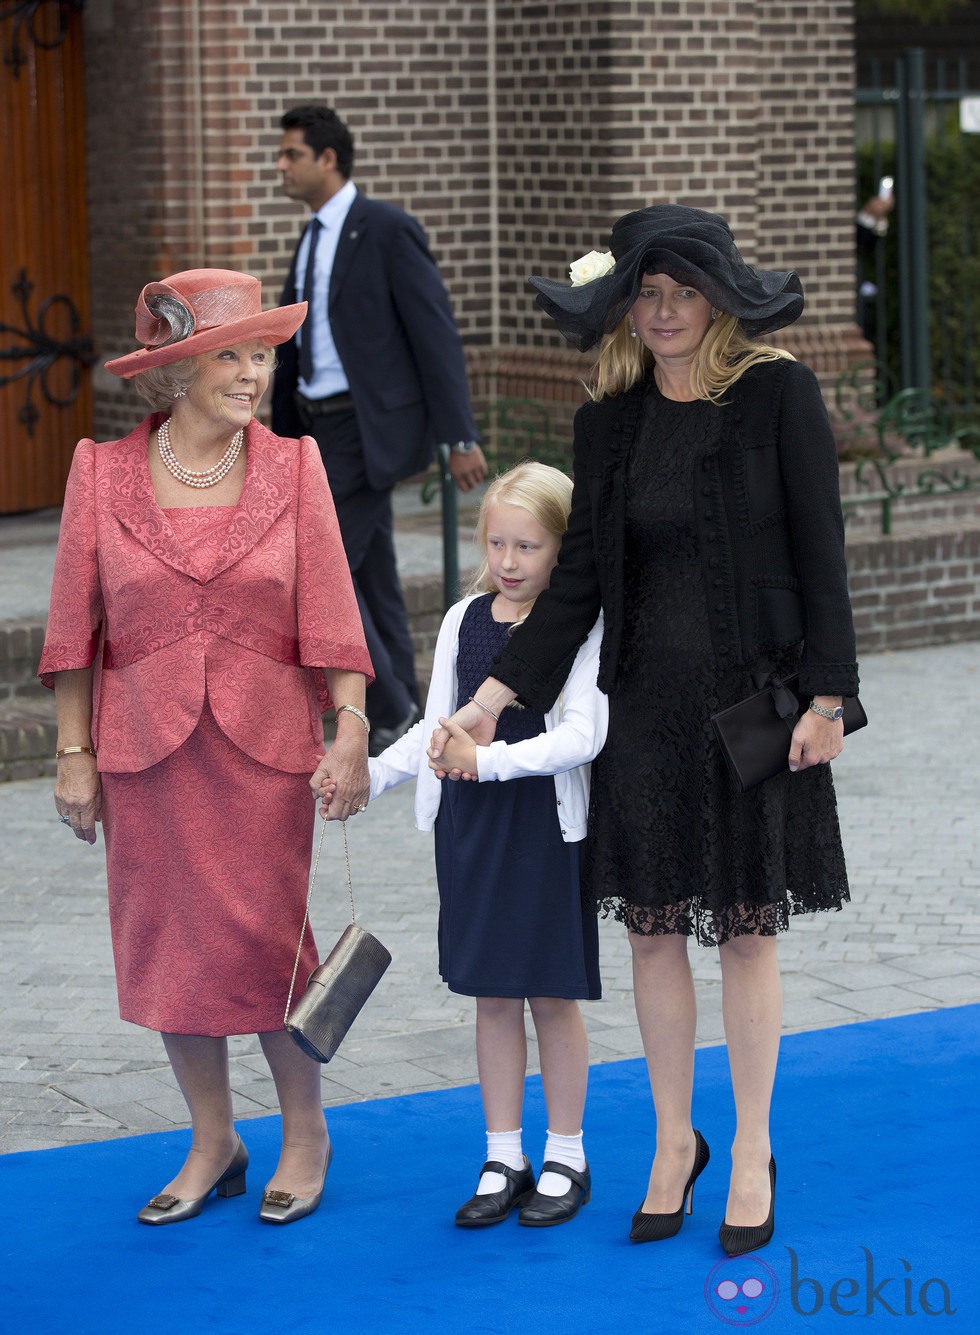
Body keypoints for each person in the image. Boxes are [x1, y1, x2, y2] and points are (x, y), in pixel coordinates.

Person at [431, 205, 859, 1256]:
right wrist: (489, 702)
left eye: (679, 292)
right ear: (624, 308)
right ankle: (674, 1141)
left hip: (749, 713)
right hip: (640, 721)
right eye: (645, 294)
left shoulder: (774, 394)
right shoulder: (608, 420)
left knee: (746, 933)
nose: (661, 312)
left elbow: (821, 554)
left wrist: (827, 698)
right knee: (654, 933)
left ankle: (749, 1147)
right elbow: (573, 588)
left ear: (716, 297)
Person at [40, 268, 374, 1227]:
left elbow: (334, 622)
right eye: (229, 353)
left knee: (271, 945)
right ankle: (213, 1136)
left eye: (260, 353)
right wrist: (73, 751)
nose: (251, 373)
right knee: (170, 949)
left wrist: (347, 731)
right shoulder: (96, 474)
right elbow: (74, 631)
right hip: (144, 752)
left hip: (263, 750)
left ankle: (305, 1132)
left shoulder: (294, 466)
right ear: (175, 369)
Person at [353, 462, 607, 1229]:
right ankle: (505, 1152)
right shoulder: (465, 618)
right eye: (496, 541)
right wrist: (369, 777)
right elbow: (439, 728)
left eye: (527, 545)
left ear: (563, 549)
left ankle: (567, 1152)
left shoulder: (579, 626)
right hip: (473, 832)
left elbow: (582, 735)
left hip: (542, 828)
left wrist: (485, 761)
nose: (508, 561)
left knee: (552, 995)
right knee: (492, 995)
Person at [272, 103, 488, 756]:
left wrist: (460, 436)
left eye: (291, 155)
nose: (280, 166)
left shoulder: (388, 230)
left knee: (319, 567)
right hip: (314, 427)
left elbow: (434, 333)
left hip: (365, 435)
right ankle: (414, 715)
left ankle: (388, 707)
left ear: (328, 159)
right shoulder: (311, 236)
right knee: (374, 581)